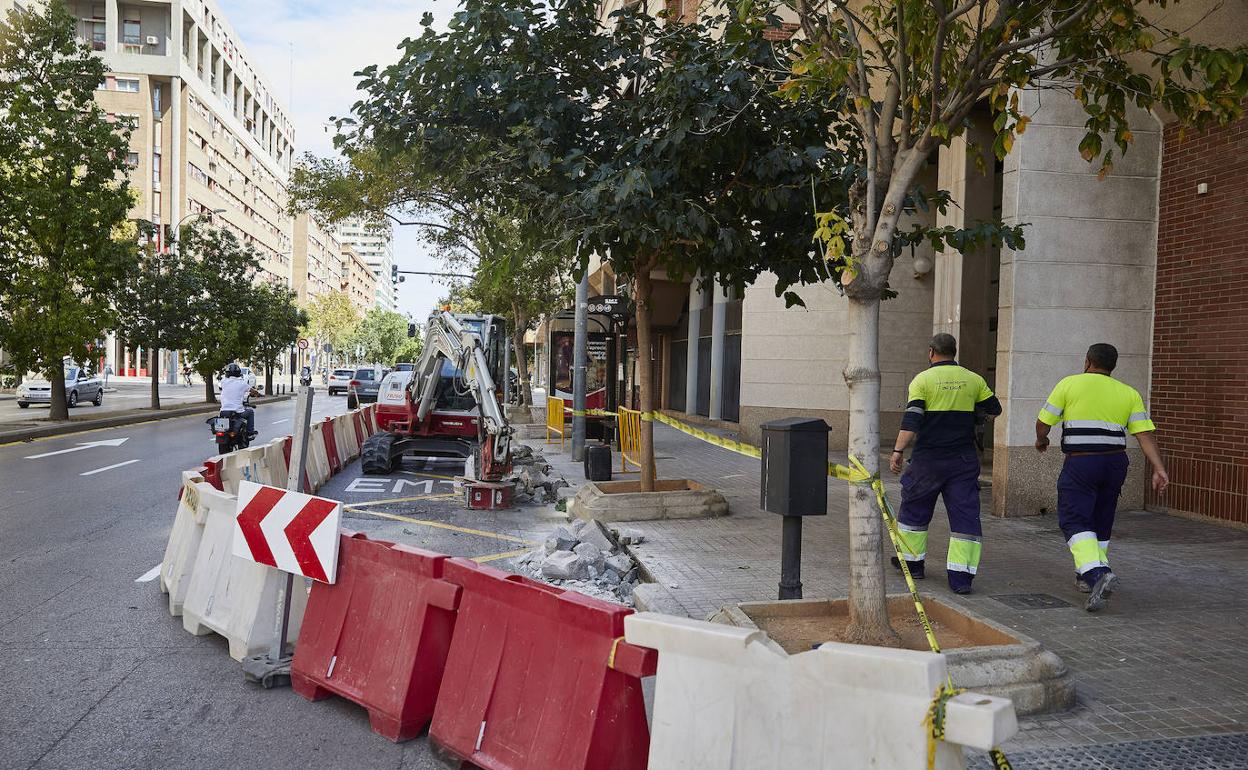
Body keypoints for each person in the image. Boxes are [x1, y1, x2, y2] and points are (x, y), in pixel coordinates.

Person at [1036, 343, 1169, 612]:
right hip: (1115, 463)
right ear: (1113, 366)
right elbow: (1144, 434)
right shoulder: (1128, 393)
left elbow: (1043, 422)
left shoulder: (1069, 384)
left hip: (1082, 462)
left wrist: (1042, 439)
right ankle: (1086, 576)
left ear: (1087, 361)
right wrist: (1159, 468)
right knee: (1101, 517)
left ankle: (1097, 574)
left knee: (1074, 518)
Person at [889, 333, 1001, 595]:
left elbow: (912, 419)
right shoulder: (974, 379)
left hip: (928, 459)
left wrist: (897, 450)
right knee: (965, 516)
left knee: (915, 513)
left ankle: (913, 565)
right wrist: (975, 416)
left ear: (931, 352)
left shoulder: (923, 380)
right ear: (954, 352)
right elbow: (994, 409)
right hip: (963, 460)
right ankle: (961, 578)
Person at [220, 363, 260, 439]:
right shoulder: (242, 383)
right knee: (250, 412)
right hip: (237, 412)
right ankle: (250, 433)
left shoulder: (223, 382)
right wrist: (258, 394)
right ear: (238, 373)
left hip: (223, 411)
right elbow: (253, 391)